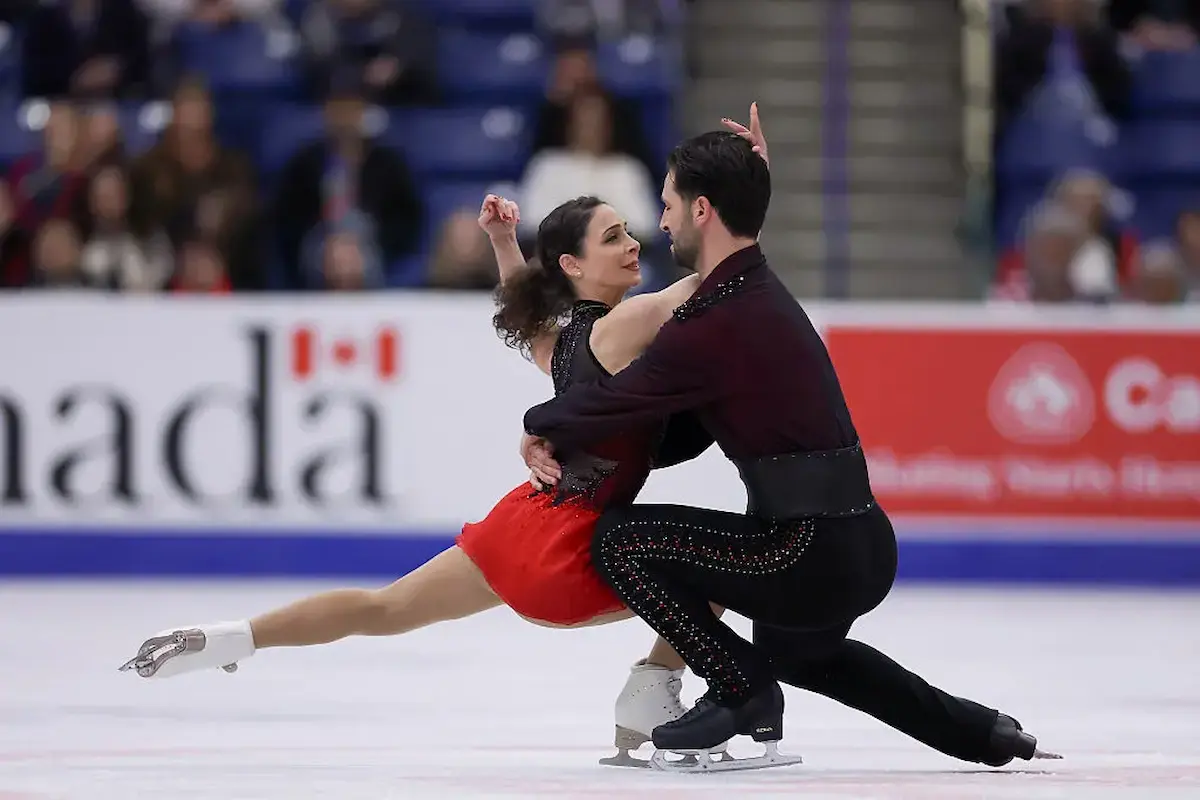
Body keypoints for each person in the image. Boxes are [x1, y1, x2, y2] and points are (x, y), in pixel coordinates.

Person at [520, 105, 1060, 771]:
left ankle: (741, 689)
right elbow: (674, 438)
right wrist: (751, 176)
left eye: (668, 204)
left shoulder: (717, 321)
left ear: (702, 211)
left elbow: (607, 404)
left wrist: (536, 427)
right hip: (848, 540)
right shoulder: (747, 293)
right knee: (804, 651)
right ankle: (984, 734)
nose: (660, 222)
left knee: (621, 540)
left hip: (807, 550)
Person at [118, 191, 721, 765]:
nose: (633, 244)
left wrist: (503, 241)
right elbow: (716, 271)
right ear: (573, 265)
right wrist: (740, 188)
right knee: (732, 573)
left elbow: (525, 303)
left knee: (385, 607)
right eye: (613, 238)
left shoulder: (560, 347)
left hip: (520, 527)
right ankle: (650, 690)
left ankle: (228, 638)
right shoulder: (625, 325)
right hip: (572, 553)